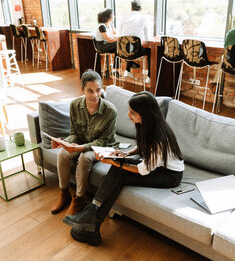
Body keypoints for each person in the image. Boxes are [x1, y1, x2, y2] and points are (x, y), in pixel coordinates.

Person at [63, 91, 185, 246]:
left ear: (145, 114)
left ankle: (91, 219)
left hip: (169, 175)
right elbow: (142, 147)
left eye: (133, 113)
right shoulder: (149, 126)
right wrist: (125, 154)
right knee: (118, 171)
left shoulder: (159, 138)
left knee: (119, 172)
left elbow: (142, 170)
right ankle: (92, 220)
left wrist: (115, 162)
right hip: (156, 166)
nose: (128, 115)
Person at [51, 69, 118, 216]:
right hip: (82, 142)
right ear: (82, 90)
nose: (95, 95)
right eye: (90, 91)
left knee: (85, 157)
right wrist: (65, 143)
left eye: (98, 90)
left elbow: (104, 140)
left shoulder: (110, 111)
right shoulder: (75, 105)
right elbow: (74, 133)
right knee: (62, 154)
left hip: (103, 146)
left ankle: (79, 198)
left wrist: (81, 148)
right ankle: (64, 193)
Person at [118, 0, 151, 82]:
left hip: (123, 51)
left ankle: (127, 69)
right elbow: (148, 39)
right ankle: (149, 76)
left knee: (130, 46)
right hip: (136, 51)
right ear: (141, 9)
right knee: (150, 51)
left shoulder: (123, 17)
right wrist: (140, 41)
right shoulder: (144, 18)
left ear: (131, 8)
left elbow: (120, 36)